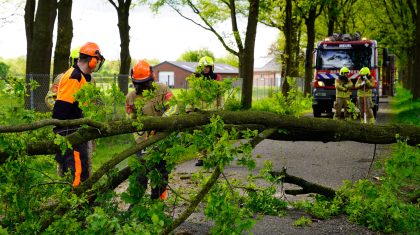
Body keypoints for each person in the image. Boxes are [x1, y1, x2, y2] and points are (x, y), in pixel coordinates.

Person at [52, 42, 105, 187]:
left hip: (77, 130)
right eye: (97, 61)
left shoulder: (82, 77)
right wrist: (66, 135)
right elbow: (61, 110)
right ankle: (77, 204)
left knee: (82, 170)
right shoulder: (73, 77)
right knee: (76, 173)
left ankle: (83, 201)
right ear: (92, 61)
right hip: (70, 132)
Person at [125, 59, 177, 200]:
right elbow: (131, 120)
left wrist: (161, 121)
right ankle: (136, 202)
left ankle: (157, 202)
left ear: (151, 78)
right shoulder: (131, 97)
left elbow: (173, 107)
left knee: (160, 173)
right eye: (139, 84)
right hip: (143, 142)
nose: (142, 87)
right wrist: (141, 139)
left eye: (145, 83)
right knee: (140, 173)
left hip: (161, 139)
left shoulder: (162, 89)